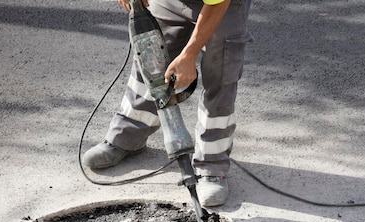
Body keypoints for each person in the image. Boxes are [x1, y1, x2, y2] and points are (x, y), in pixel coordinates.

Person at [83, 0, 253, 207]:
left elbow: (218, 4)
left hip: (222, 5)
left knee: (220, 74)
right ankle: (128, 135)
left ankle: (212, 166)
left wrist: (189, 56)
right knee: (150, 56)